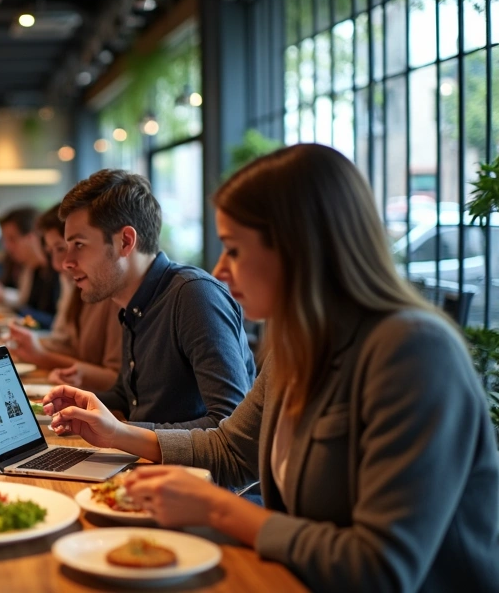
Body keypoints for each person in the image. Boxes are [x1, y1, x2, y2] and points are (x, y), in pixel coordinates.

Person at [43, 144, 499, 591]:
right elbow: (231, 450)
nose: (220, 269)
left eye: (235, 250)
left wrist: (218, 510)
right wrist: (114, 433)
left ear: (299, 247)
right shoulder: (296, 342)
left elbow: (380, 568)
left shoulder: (413, 351)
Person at [58, 170, 254, 430]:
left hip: (192, 472)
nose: (66, 262)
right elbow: (133, 400)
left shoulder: (194, 296)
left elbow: (230, 425)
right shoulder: (133, 303)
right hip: (149, 466)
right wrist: (73, 407)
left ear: (125, 242)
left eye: (79, 245)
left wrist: (123, 434)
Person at [6, 204, 121, 391]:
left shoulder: (110, 292)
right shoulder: (77, 287)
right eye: (51, 251)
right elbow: (69, 345)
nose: (60, 264)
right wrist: (28, 346)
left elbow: (118, 382)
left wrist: (42, 355)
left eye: (61, 249)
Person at [0, 207, 61, 328]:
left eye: (12, 239)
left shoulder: (59, 269)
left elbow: (57, 324)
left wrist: (17, 310)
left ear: (32, 238)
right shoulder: (32, 268)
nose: (7, 246)